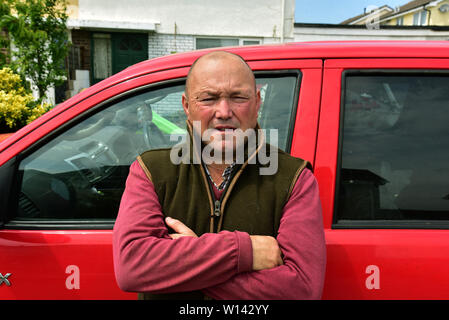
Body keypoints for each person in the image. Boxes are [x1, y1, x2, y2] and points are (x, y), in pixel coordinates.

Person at [112, 51, 326, 300]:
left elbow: (302, 290)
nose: (224, 112)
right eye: (208, 98)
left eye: (238, 97)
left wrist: (189, 260)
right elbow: (131, 267)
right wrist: (244, 252)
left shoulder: (294, 178)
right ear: (187, 106)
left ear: (257, 103)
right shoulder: (150, 170)